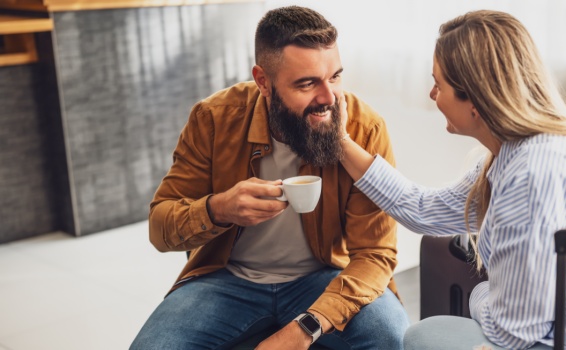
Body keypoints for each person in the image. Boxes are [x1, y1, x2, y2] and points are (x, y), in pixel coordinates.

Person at [336, 10, 566, 350]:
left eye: (439, 84)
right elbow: (422, 209)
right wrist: (340, 143)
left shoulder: (534, 174)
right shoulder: (515, 154)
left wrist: (481, 294)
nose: (431, 94)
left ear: (476, 101)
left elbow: (511, 333)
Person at [131, 6, 408, 350]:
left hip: (325, 277)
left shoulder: (364, 128)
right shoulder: (214, 119)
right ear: (263, 81)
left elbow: (375, 254)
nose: (329, 98)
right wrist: (219, 209)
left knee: (387, 336)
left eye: (335, 77)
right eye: (307, 83)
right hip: (228, 281)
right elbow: (160, 228)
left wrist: (305, 327)